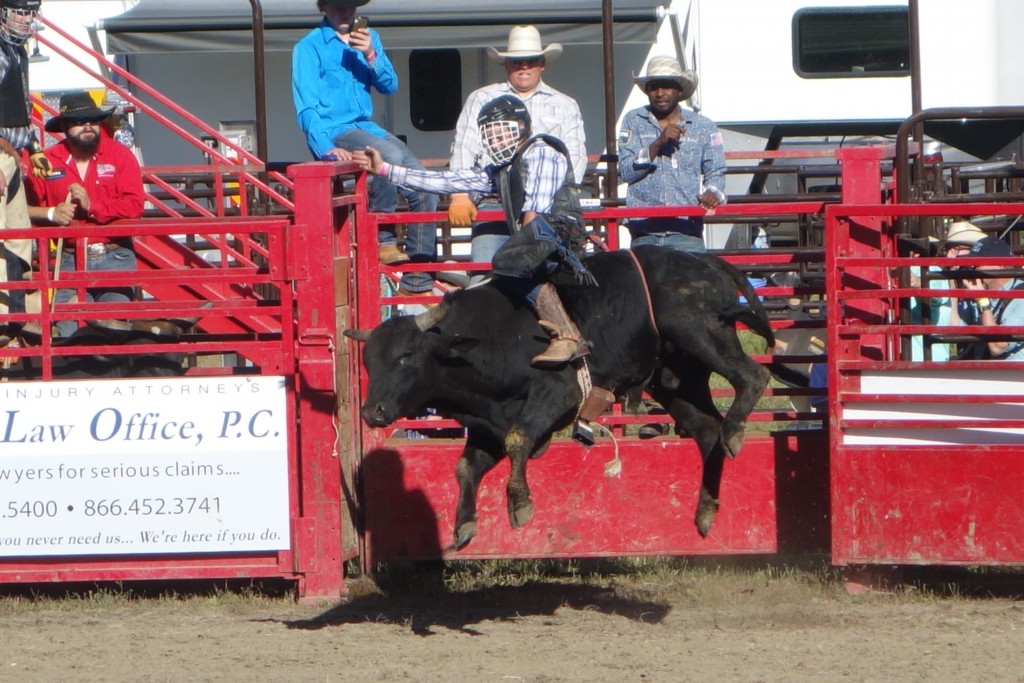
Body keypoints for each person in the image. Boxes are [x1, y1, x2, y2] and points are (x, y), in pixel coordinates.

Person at [355, 95, 593, 368]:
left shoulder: (542, 152)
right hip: (536, 235)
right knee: (497, 274)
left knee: (506, 263)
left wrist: (521, 251)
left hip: (559, 235)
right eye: (491, 134)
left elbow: (535, 211)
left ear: (522, 127)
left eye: (503, 131)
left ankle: (565, 334)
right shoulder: (502, 168)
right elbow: (447, 180)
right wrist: (386, 170)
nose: (497, 140)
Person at [291, 0, 438, 296]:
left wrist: (371, 53)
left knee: (426, 185)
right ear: (324, 8)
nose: (345, 12)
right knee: (388, 155)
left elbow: (390, 85)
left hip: (367, 127)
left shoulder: (370, 38)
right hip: (336, 130)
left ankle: (418, 280)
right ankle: (383, 240)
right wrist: (324, 148)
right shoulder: (308, 47)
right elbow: (306, 107)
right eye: (338, 5)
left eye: (350, 6)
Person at [447, 25, 586, 280]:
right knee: (486, 284)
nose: (524, 66)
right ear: (506, 65)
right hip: (493, 202)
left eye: (531, 60)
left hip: (546, 208)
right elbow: (465, 147)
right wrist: (459, 193)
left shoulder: (565, 105)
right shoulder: (481, 98)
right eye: (516, 61)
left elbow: (574, 158)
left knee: (546, 284)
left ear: (542, 63)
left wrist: (550, 202)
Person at [24, 91, 148, 338]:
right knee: (69, 333)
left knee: (113, 331)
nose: (88, 126)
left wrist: (93, 205)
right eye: (80, 122)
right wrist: (51, 213)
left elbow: (135, 205)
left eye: (93, 120)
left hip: (116, 256)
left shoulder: (120, 156)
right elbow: (23, 210)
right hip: (68, 258)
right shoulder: (46, 161)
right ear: (65, 126)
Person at [617, 56, 726, 252]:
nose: (660, 93)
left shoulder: (703, 126)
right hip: (644, 230)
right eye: (654, 87)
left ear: (679, 90)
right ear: (648, 91)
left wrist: (713, 192)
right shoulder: (633, 120)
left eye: (667, 86)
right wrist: (657, 143)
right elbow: (626, 171)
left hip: (686, 228)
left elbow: (716, 170)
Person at [0, 0, 54, 336]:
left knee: (19, 238)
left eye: (29, 11)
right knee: (2, 235)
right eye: (18, 10)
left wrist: (33, 147)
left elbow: (18, 103)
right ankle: (3, 315)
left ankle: (15, 313)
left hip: (12, 154)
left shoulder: (17, 51)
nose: (25, 18)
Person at [955, 236, 1024, 360]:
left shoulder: (1021, 296)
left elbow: (998, 347)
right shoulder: (979, 292)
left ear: (1000, 265)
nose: (973, 268)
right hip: (985, 374)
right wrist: (953, 286)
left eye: (978, 263)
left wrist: (982, 301)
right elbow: (954, 327)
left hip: (1013, 376)